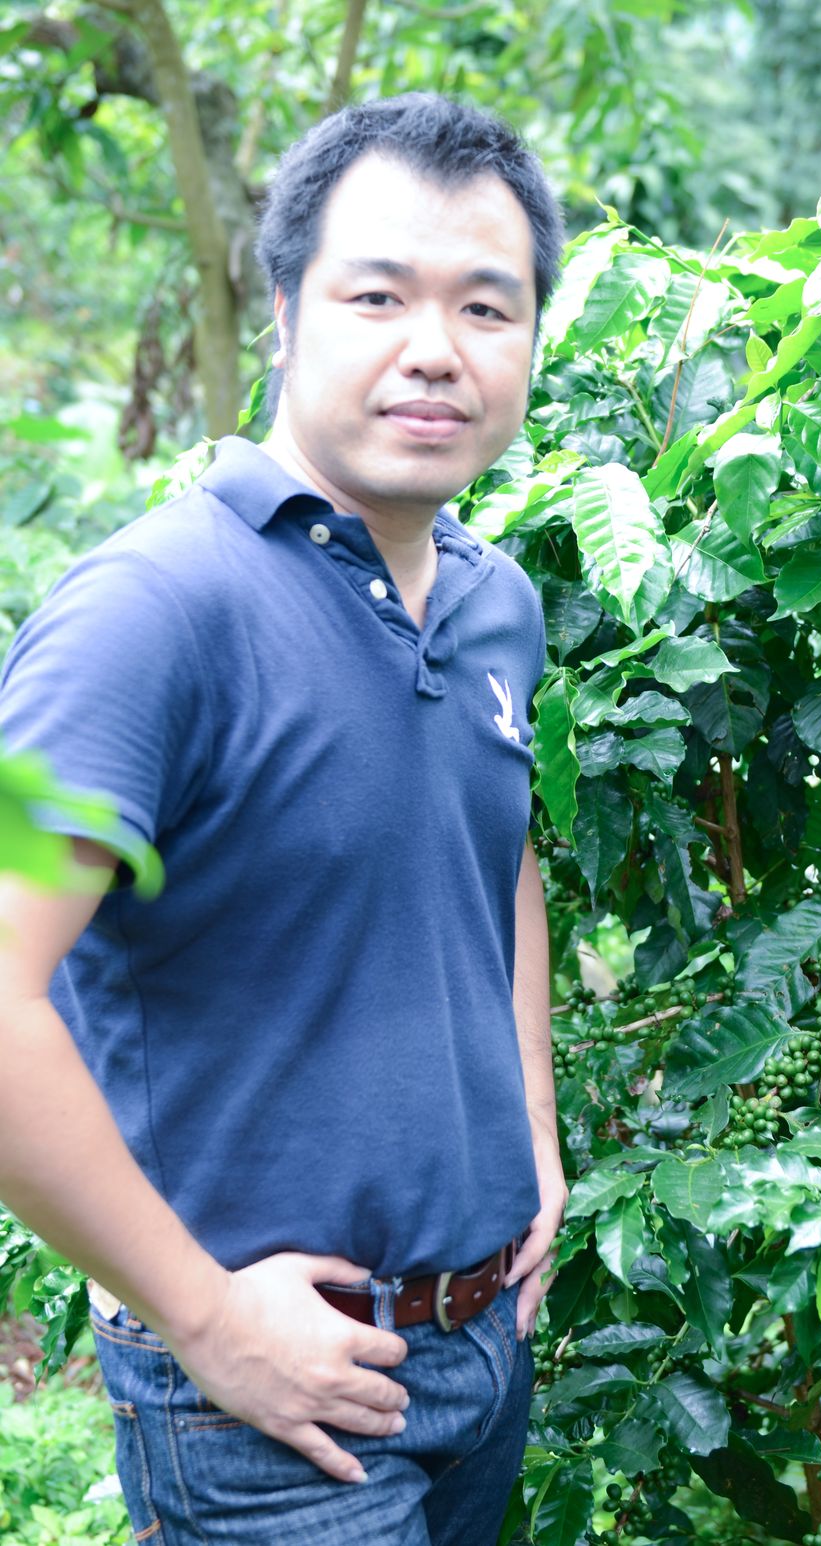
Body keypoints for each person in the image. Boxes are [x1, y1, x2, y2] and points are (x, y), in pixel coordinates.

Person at [0, 93, 567, 1545]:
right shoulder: (144, 615)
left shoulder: (496, 604)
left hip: (481, 1339)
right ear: (284, 312)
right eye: (378, 296)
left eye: (486, 307)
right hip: (260, 1399)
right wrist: (201, 1317)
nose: (434, 348)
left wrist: (536, 1140)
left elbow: (493, 857)